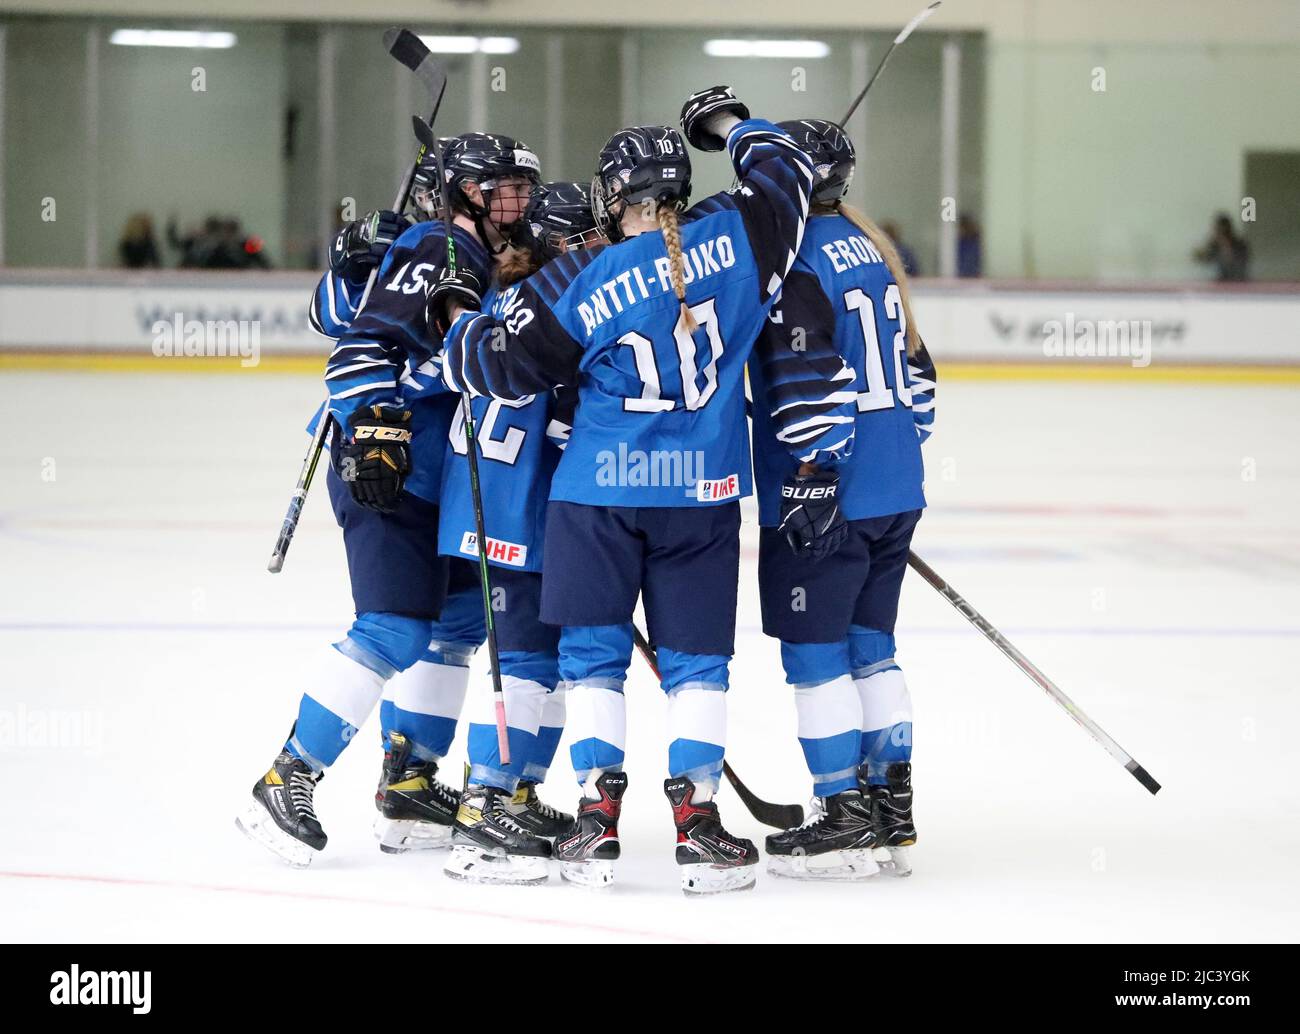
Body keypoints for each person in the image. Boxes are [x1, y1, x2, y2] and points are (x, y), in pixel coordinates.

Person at [432, 86, 815, 894]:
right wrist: (730, 124)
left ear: (613, 198)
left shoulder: (586, 274)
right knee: (698, 665)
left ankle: (594, 824)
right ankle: (698, 825)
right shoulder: (742, 239)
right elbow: (788, 175)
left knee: (592, 661)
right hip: (702, 495)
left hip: (596, 498)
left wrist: (460, 313)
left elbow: (499, 368)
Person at [237, 133, 541, 867]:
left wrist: (355, 266)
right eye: (502, 187)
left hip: (439, 475)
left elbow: (340, 313)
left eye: (523, 187)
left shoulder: (462, 253)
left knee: (460, 618)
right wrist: (373, 424)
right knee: (395, 627)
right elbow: (360, 343)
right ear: (465, 191)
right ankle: (288, 776)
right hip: (391, 463)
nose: (519, 200)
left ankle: (408, 783)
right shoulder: (444, 247)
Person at [747, 119, 936, 880]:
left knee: (816, 656)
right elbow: (918, 384)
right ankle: (891, 810)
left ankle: (841, 813)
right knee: (872, 649)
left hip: (830, 490)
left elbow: (811, 374)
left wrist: (818, 473)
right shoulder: (874, 251)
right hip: (893, 483)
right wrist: (889, 469)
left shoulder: (798, 259)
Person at [437, 183, 605, 886]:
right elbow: (572, 430)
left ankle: (514, 794)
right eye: (585, 241)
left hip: (483, 510)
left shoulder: (502, 305)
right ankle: (486, 807)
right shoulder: (565, 312)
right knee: (529, 664)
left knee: (535, 662)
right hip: (530, 517)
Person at [1194, 212, 1249, 282]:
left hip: (1238, 280)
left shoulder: (1239, 244)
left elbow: (1238, 263)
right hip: (1220, 281)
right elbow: (1203, 259)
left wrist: (1225, 245)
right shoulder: (1214, 244)